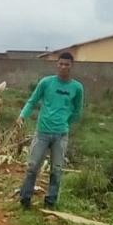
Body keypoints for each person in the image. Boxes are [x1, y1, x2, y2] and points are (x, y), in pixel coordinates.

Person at [16, 52, 84, 209]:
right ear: (57, 65)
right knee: (32, 167)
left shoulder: (77, 88)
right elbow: (32, 101)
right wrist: (22, 116)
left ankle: (50, 202)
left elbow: (78, 111)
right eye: (61, 64)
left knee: (56, 170)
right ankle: (25, 199)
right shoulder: (46, 83)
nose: (63, 67)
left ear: (71, 66)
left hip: (61, 135)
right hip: (42, 133)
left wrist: (65, 122)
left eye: (67, 64)